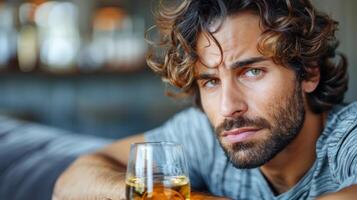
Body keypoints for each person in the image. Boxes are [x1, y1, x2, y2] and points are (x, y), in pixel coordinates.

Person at [53, 0, 357, 199]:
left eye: (252, 72)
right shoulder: (204, 135)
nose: (228, 107)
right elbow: (71, 182)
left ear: (309, 73)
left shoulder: (348, 137)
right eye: (210, 81)